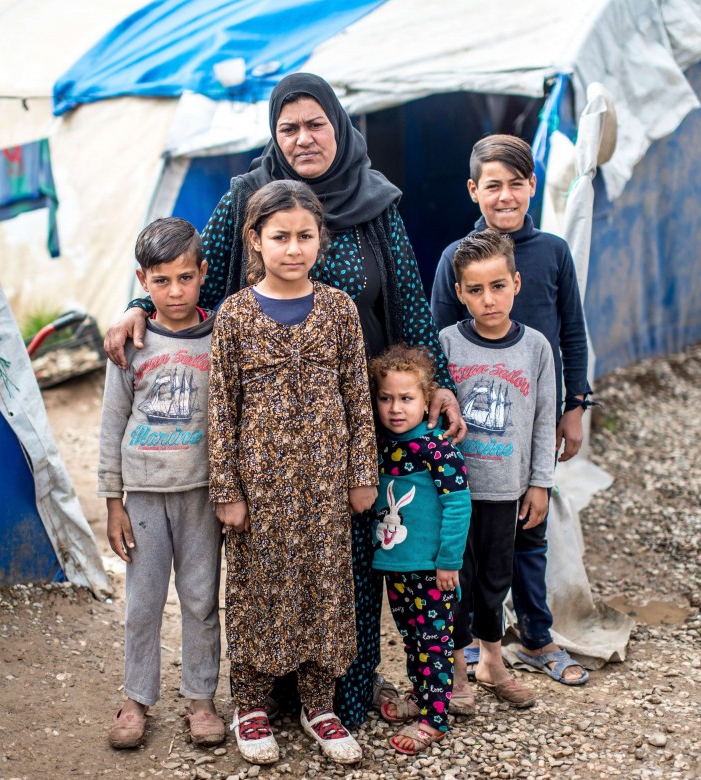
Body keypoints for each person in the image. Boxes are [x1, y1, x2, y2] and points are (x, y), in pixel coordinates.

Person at [104, 72, 464, 727]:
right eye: (288, 127)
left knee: (346, 563)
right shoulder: (249, 195)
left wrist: (438, 386)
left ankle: (339, 695)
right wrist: (136, 308)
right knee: (266, 562)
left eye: (315, 124)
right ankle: (263, 697)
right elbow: (194, 266)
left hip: (357, 420)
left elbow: (410, 301)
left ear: (340, 125)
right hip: (263, 438)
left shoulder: (376, 202)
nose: (302, 138)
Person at [208, 180, 377, 765]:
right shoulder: (233, 315)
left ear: (320, 239)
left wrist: (362, 473)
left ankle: (319, 705)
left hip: (328, 485)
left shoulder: (338, 310)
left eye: (305, 236)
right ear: (255, 240)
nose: (293, 248)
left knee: (324, 588)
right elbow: (221, 408)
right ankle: (250, 705)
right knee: (258, 588)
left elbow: (358, 397)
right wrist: (227, 490)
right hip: (260, 488)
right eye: (280, 237)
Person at [430, 134, 592, 686]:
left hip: (536, 415)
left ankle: (539, 636)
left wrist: (575, 406)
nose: (505, 196)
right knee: (474, 537)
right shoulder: (458, 258)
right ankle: (480, 642)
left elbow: (573, 330)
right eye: (492, 185)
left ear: (532, 187)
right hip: (473, 430)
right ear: (474, 190)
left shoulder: (552, 252)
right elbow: (438, 347)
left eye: (515, 184)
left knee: (530, 529)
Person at [97, 217, 225, 750]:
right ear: (142, 282)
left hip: (202, 492)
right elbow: (111, 421)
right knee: (143, 603)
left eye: (185, 278)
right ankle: (136, 697)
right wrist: (112, 502)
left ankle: (201, 698)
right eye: (161, 281)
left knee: (200, 599)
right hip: (145, 495)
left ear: (202, 274)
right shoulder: (132, 340)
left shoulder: (222, 337)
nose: (175, 291)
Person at [439, 230, 558, 711]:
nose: (488, 300)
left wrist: (540, 484)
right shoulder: (446, 344)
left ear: (516, 283)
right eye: (474, 290)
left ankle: (492, 661)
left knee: (494, 581)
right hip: (454, 495)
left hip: (506, 491)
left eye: (497, 286)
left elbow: (545, 419)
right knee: (453, 582)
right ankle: (456, 671)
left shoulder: (536, 349)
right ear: (459, 292)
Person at [368, 344, 471, 755]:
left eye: (407, 398)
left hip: (431, 570)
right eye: (386, 398)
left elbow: (459, 504)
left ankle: (435, 719)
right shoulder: (383, 446)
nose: (395, 408)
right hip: (398, 567)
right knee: (412, 639)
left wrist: (448, 562)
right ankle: (421, 695)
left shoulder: (436, 447)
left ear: (427, 401)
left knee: (433, 642)